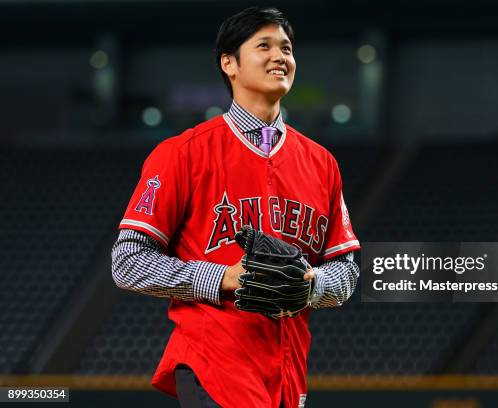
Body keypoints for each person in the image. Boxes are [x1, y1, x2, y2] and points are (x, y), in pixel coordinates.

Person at [111, 6, 360, 408]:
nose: (281, 57)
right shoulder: (182, 154)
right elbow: (127, 262)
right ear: (229, 63)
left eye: (287, 48)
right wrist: (224, 278)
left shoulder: (322, 163)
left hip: (288, 370)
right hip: (214, 361)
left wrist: (311, 285)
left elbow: (346, 273)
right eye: (264, 46)